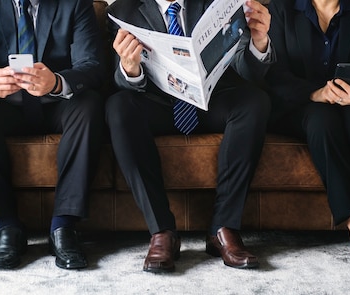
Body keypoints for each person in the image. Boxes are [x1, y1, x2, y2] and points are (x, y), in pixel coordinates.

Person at [106, 0, 275, 272]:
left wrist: (259, 42)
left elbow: (248, 73)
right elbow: (117, 80)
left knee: (255, 101)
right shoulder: (120, 11)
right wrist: (130, 68)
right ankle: (162, 232)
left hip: (212, 100)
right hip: (158, 104)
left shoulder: (220, 5)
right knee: (117, 107)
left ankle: (223, 228)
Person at [0, 0, 104, 270]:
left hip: (57, 103)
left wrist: (57, 81)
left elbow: (91, 64)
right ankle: (7, 226)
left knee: (89, 103)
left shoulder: (76, 4)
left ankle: (63, 226)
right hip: (4, 106)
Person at [265, 0, 350, 266]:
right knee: (322, 121)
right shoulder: (281, 7)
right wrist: (316, 93)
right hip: (301, 104)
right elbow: (274, 72)